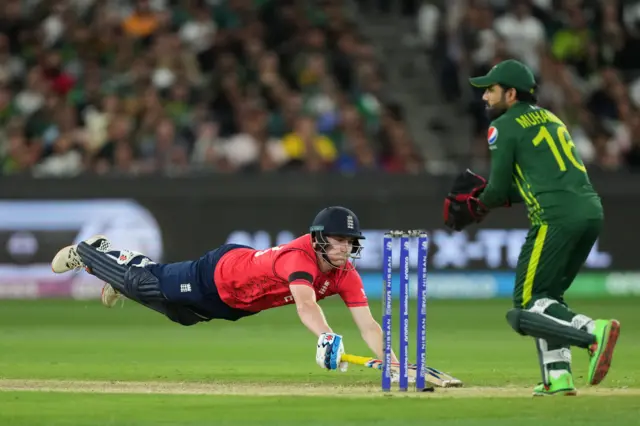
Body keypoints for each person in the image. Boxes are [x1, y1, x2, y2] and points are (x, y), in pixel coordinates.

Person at [443, 59, 620, 396]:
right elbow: (531, 184)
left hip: (554, 218)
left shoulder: (503, 126)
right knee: (548, 298)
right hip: (589, 211)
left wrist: (478, 204)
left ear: (510, 93)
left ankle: (591, 330)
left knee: (525, 305)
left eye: (491, 91)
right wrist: (492, 196)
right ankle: (558, 376)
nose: (484, 98)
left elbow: (496, 190)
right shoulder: (552, 118)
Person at [51, 206, 397, 373]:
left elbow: (368, 324)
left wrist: (394, 362)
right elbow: (306, 305)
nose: (345, 249)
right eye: (339, 241)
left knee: (180, 315)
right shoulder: (298, 258)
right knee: (145, 281)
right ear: (320, 237)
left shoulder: (345, 274)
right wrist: (326, 336)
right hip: (216, 274)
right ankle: (91, 251)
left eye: (351, 243)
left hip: (236, 305)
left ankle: (121, 282)